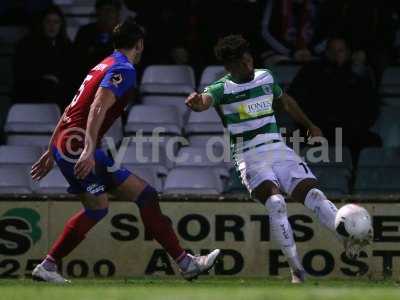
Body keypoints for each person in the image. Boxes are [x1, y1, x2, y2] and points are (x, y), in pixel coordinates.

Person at [30, 18, 220, 283]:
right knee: (100, 207)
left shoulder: (102, 65)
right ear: (139, 44)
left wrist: (53, 149)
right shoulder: (124, 68)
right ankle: (49, 265)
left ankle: (186, 263)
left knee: (144, 196)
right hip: (78, 146)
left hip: (71, 142)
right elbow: (97, 106)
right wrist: (86, 148)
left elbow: (70, 109)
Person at [185, 35, 368, 283]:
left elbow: (286, 102)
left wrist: (310, 125)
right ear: (230, 66)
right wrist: (197, 103)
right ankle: (297, 271)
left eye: (249, 60)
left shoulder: (266, 77)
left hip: (278, 148)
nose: (249, 66)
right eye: (242, 64)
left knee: (314, 196)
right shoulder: (221, 88)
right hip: (248, 155)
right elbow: (204, 101)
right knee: (275, 203)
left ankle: (346, 235)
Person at [289, 37, 381, 163]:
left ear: (348, 53)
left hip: (350, 130)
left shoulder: (358, 75)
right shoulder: (311, 71)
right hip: (317, 129)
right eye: (331, 50)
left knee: (371, 142)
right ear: (326, 52)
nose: (335, 55)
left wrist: (355, 126)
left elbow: (370, 107)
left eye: (340, 51)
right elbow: (294, 101)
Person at [14, 5, 73, 108]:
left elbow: (71, 73)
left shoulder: (67, 46)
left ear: (61, 25)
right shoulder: (26, 45)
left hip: (60, 95)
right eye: (48, 22)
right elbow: (21, 72)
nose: (52, 26)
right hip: (32, 93)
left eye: (56, 22)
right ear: (42, 23)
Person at [74, 0, 122, 82]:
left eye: (111, 10)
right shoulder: (85, 33)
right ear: (97, 13)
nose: (107, 14)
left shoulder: (125, 34)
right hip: (88, 80)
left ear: (117, 14)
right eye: (104, 10)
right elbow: (77, 61)